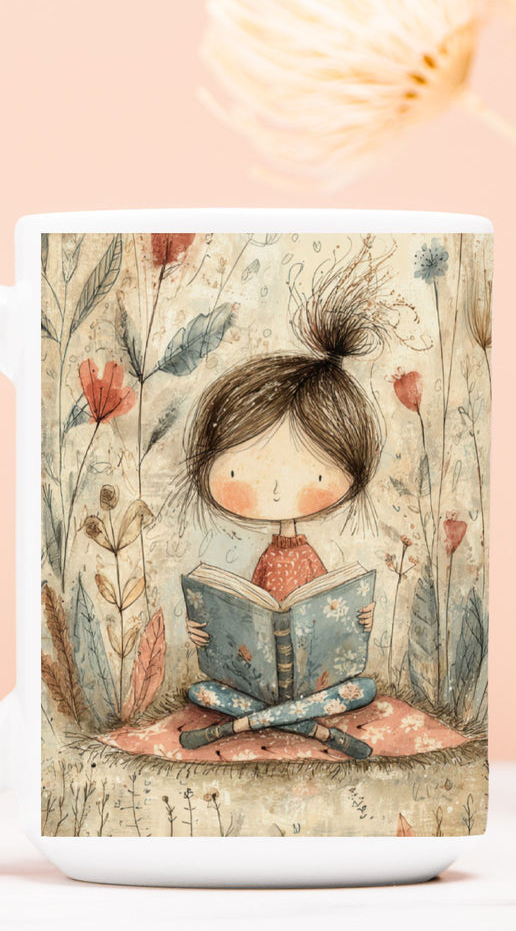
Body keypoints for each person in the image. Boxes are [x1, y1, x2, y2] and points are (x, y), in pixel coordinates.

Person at [177, 248, 392, 753]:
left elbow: (323, 614)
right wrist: (205, 629)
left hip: (320, 681)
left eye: (311, 471)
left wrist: (358, 622)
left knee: (362, 688)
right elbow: (252, 617)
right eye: (240, 469)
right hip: (258, 683)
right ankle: (290, 717)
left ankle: (260, 720)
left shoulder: (306, 558)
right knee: (201, 689)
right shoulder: (267, 559)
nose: (276, 490)